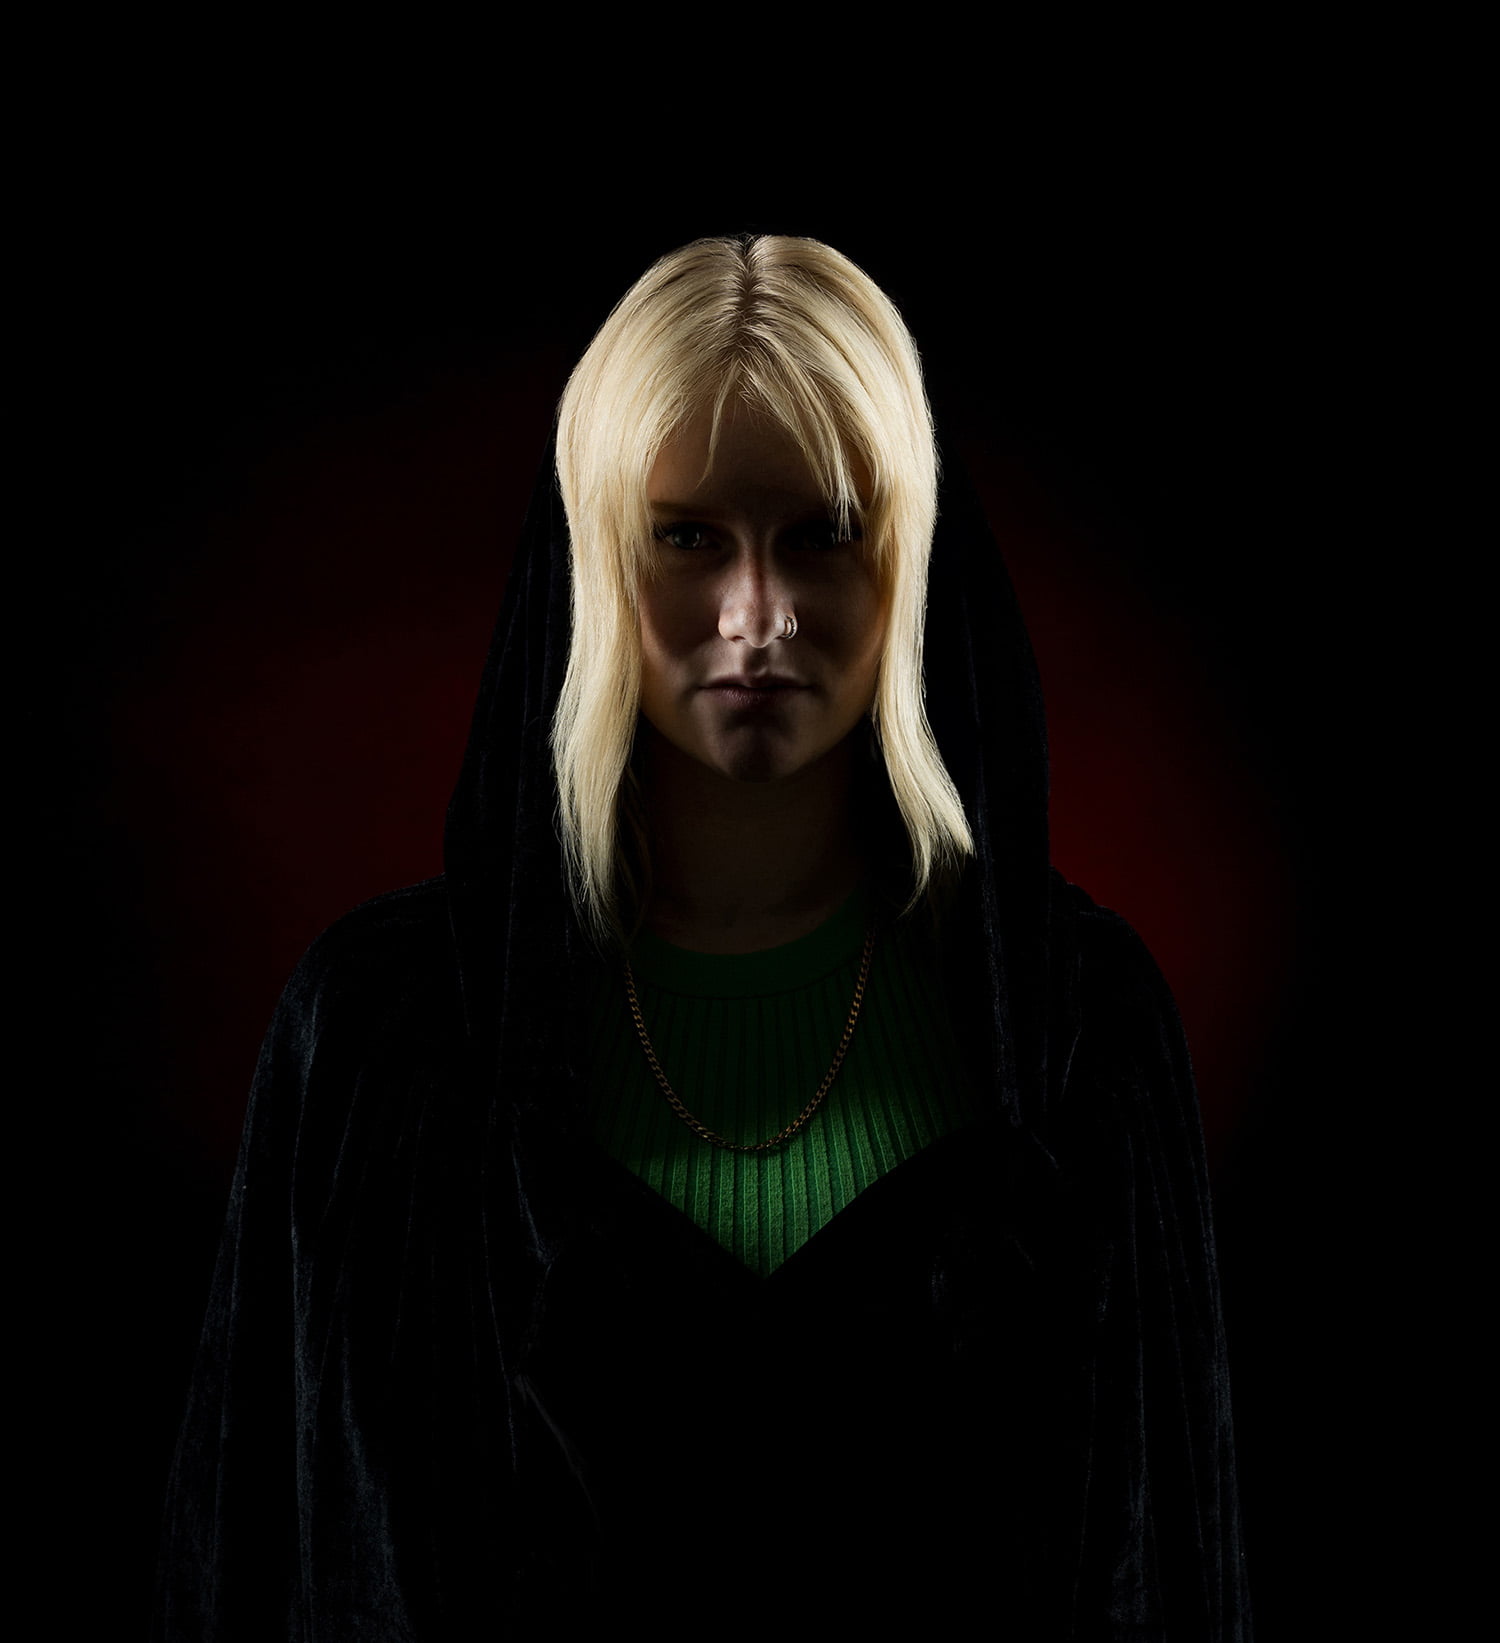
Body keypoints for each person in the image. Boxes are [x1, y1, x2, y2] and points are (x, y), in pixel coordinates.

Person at [154, 235, 1252, 1637]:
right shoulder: (378, 1041)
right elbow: (244, 1563)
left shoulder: (1079, 1030)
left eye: (822, 532)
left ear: (907, 557)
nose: (758, 616)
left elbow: (1173, 1577)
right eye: (687, 537)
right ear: (597, 556)